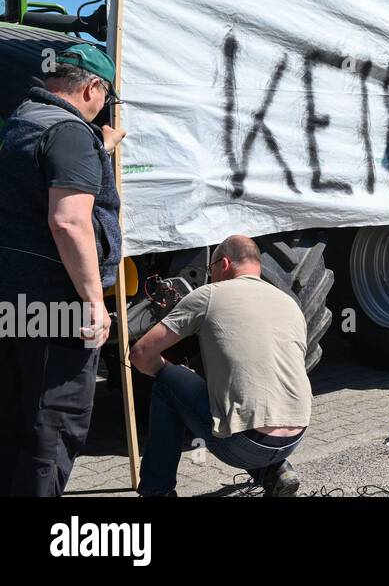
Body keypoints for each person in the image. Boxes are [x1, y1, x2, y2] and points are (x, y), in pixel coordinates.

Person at [0, 44, 126, 496]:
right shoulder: (70, 134)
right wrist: (94, 302)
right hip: (57, 307)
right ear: (93, 86)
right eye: (106, 96)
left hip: (16, 302)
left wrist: (99, 146)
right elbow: (68, 220)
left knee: (17, 421)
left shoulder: (24, 121)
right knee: (52, 428)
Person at [131, 235, 310, 497]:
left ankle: (156, 491)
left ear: (223, 263)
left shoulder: (209, 295)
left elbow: (140, 353)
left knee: (168, 382)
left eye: (210, 269)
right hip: (296, 437)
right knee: (250, 392)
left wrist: (175, 376)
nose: (210, 275)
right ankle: (275, 471)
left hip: (246, 445)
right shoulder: (289, 303)